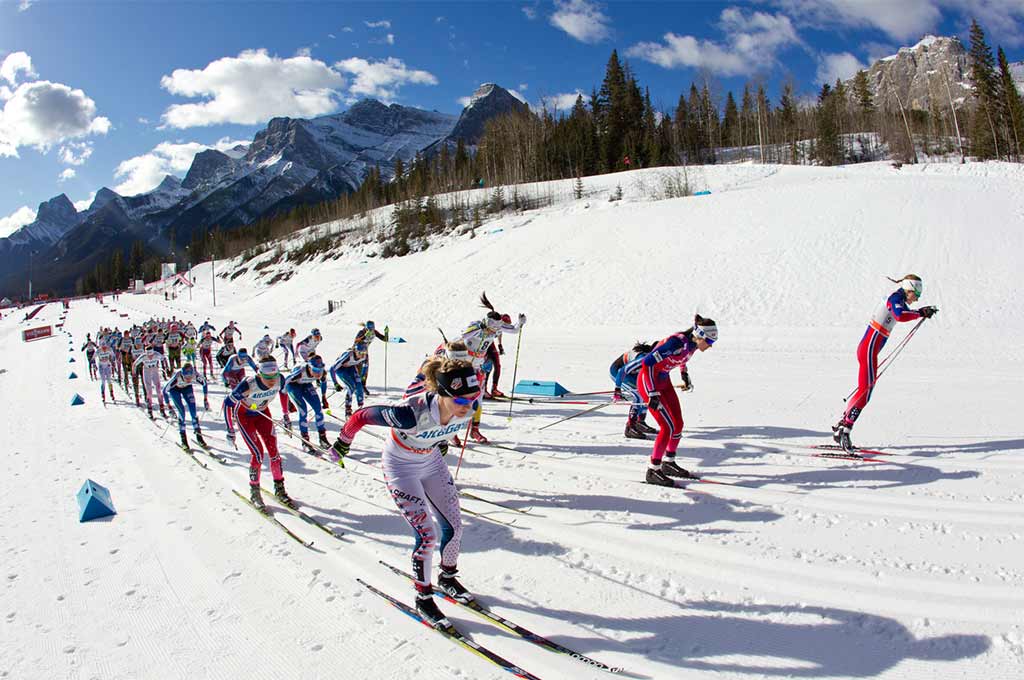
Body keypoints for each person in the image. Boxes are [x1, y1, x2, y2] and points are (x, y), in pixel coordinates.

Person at [330, 358, 481, 629]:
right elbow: (361, 416)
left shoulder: (468, 405)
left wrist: (440, 442)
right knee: (427, 535)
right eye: (461, 401)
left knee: (455, 528)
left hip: (431, 462)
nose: (469, 406)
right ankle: (423, 598)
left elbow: (444, 427)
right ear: (443, 394)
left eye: (474, 397)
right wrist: (343, 443)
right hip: (400, 466)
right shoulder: (409, 414)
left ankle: (447, 579)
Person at [832, 275, 937, 451]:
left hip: (869, 351)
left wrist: (921, 312)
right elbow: (900, 315)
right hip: (868, 352)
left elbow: (903, 313)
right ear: (909, 289)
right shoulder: (895, 299)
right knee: (865, 393)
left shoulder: (900, 299)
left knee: (863, 391)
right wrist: (920, 312)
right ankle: (845, 429)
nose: (917, 298)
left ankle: (843, 425)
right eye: (916, 293)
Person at [638, 315, 717, 486]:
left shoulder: (693, 344)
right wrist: (652, 393)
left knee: (678, 424)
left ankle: (669, 463)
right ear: (700, 335)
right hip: (648, 382)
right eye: (710, 342)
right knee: (666, 427)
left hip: (664, 381)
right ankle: (653, 469)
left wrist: (684, 374)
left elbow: (683, 358)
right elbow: (647, 364)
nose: (710, 346)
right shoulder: (675, 343)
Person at [223, 356, 295, 511]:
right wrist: (230, 430)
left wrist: (286, 415)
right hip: (244, 416)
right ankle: (254, 491)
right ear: (259, 374)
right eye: (267, 377)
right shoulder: (248, 385)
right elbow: (227, 404)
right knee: (258, 455)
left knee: (274, 453)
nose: (271, 381)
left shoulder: (280, 379)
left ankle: (280, 488)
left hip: (263, 414)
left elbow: (283, 394)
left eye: (274, 376)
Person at [458, 292, 525, 443]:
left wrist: (520, 323)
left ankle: (475, 430)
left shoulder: (497, 327)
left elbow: (513, 330)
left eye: (497, 329)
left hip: (477, 367)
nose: (494, 332)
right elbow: (463, 335)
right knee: (459, 398)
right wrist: (480, 329)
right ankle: (451, 432)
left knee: (478, 399)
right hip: (463, 365)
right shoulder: (476, 325)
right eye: (492, 329)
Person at [611, 341, 658, 439]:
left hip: (632, 373)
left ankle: (640, 422)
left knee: (647, 393)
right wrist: (617, 389)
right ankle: (630, 427)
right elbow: (622, 371)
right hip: (618, 371)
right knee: (639, 395)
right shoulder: (643, 359)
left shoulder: (658, 358)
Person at [284, 354, 330, 452]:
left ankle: (323, 438)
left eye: (320, 370)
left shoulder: (323, 373)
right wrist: (288, 402)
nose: (318, 373)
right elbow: (285, 383)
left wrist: (324, 397)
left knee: (318, 409)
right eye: (316, 370)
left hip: (306, 385)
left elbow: (324, 383)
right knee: (303, 411)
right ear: (309, 367)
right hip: (293, 386)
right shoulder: (299, 372)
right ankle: (305, 440)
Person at [162, 363, 209, 449]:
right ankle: (183, 439)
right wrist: (169, 406)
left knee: (193, 411)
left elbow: (205, 383)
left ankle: (199, 436)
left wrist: (205, 399)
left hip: (187, 388)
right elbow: (164, 390)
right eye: (186, 377)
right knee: (182, 412)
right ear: (182, 374)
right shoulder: (176, 377)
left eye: (190, 377)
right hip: (175, 390)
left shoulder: (195, 374)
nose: (188, 379)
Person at [329, 344, 367, 417]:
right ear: (355, 351)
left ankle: (360, 408)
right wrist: (335, 383)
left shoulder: (364, 356)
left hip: (350, 367)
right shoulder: (348, 355)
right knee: (351, 387)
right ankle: (348, 410)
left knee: (359, 386)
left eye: (364, 353)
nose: (362, 355)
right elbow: (332, 368)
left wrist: (362, 377)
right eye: (360, 353)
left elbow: (365, 367)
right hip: (341, 369)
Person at [134, 342, 170, 418]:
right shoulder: (143, 356)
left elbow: (164, 359)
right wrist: (134, 374)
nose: (150, 357)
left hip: (154, 370)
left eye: (151, 355)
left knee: (158, 390)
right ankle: (149, 409)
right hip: (146, 371)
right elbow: (134, 364)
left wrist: (167, 368)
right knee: (149, 392)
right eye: (148, 355)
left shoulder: (156, 354)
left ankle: (162, 408)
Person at [352, 321, 387, 395]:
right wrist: (364, 336)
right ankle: (356, 386)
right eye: (369, 329)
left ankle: (363, 386)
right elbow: (356, 341)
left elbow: (384, 339)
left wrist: (386, 333)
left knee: (365, 369)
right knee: (359, 370)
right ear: (366, 328)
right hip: (357, 352)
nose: (370, 331)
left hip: (365, 352)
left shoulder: (374, 332)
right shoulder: (361, 332)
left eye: (372, 329)